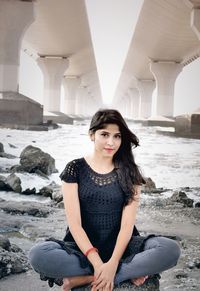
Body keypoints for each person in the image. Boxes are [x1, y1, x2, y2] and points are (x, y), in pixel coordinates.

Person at [29, 109, 181, 291]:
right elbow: (75, 224)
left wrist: (113, 264)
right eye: (105, 134)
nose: (111, 142)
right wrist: (99, 264)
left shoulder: (130, 173)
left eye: (117, 136)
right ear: (91, 135)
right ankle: (121, 273)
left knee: (171, 249)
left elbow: (127, 227)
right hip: (82, 251)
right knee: (38, 255)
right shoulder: (74, 169)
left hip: (123, 249)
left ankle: (86, 278)